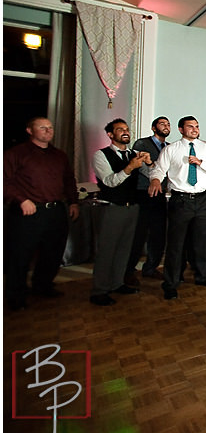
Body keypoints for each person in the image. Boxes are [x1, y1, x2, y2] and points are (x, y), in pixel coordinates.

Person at [4, 117, 79, 310]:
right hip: (28, 212)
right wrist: (22, 199)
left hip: (55, 210)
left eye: (50, 128)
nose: (48, 131)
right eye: (42, 127)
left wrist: (73, 202)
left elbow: (69, 180)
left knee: (53, 252)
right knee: (20, 255)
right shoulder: (16, 153)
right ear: (30, 130)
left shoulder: (59, 155)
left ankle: (43, 286)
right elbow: (5, 181)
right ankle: (14, 296)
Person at [148, 116, 206, 300]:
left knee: (201, 242)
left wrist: (200, 163)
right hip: (181, 201)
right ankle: (171, 283)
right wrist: (156, 180)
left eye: (197, 126)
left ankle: (202, 276)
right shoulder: (171, 149)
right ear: (181, 129)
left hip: (204, 200)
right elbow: (158, 169)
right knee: (176, 244)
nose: (195, 129)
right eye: (190, 126)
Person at [90, 119, 151, 306]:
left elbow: (151, 177)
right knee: (107, 251)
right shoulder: (100, 155)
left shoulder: (133, 154)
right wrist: (130, 167)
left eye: (126, 129)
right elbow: (109, 181)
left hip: (132, 208)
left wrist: (148, 164)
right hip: (112, 208)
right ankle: (99, 290)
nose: (125, 132)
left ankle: (117, 283)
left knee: (125, 249)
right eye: (119, 130)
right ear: (110, 135)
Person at [129, 116, 170, 282]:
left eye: (168, 124)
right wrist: (155, 174)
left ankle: (151, 267)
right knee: (139, 234)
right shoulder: (142, 144)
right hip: (143, 193)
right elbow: (140, 167)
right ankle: (128, 270)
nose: (166, 126)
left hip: (160, 195)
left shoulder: (169, 147)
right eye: (162, 124)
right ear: (154, 128)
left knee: (158, 233)